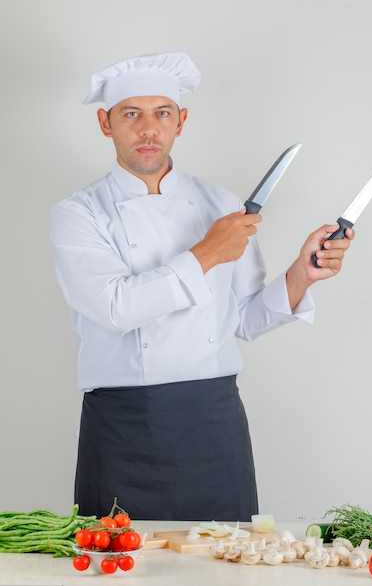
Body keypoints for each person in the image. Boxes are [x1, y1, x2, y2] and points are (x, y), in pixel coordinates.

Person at [49, 51, 354, 521]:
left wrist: (300, 274)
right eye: (131, 114)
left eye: (162, 113)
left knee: (227, 564)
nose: (148, 129)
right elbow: (116, 307)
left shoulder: (222, 203)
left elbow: (245, 317)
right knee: (118, 566)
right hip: (122, 425)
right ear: (105, 124)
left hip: (214, 422)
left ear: (181, 121)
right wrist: (208, 250)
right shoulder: (78, 213)